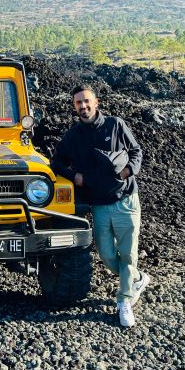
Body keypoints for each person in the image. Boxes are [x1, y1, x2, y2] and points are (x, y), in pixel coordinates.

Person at [50, 84, 150, 328]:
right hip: (99, 205)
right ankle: (136, 277)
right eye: (78, 103)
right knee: (106, 255)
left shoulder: (115, 125)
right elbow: (56, 161)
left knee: (127, 254)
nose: (83, 106)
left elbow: (136, 150)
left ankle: (124, 302)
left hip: (125, 201)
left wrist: (129, 171)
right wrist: (74, 176)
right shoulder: (73, 136)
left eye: (86, 101)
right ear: (74, 107)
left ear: (96, 102)